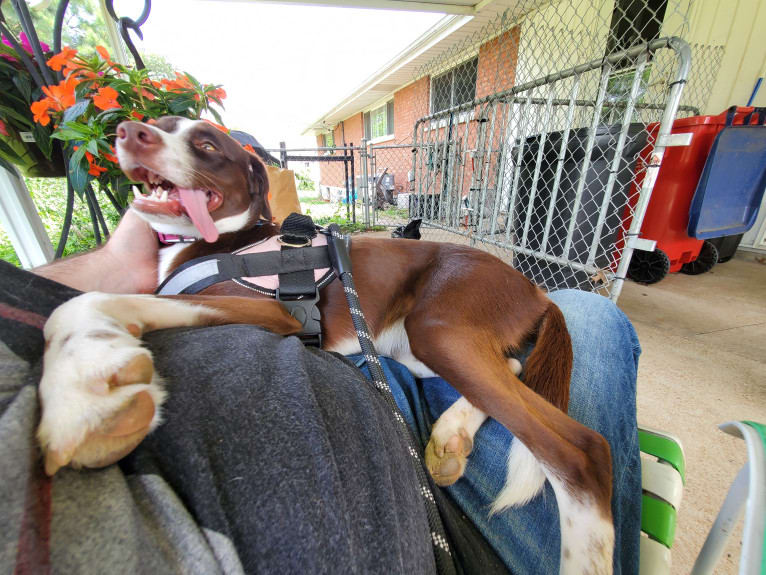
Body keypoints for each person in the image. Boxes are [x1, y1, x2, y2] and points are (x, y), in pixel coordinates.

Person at [0, 211, 641, 574]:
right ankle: (522, 422)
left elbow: (285, 315)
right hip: (436, 526)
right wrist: (117, 279)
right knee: (584, 314)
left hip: (391, 356)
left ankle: (496, 404)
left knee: (563, 315)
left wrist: (116, 284)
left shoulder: (219, 266)